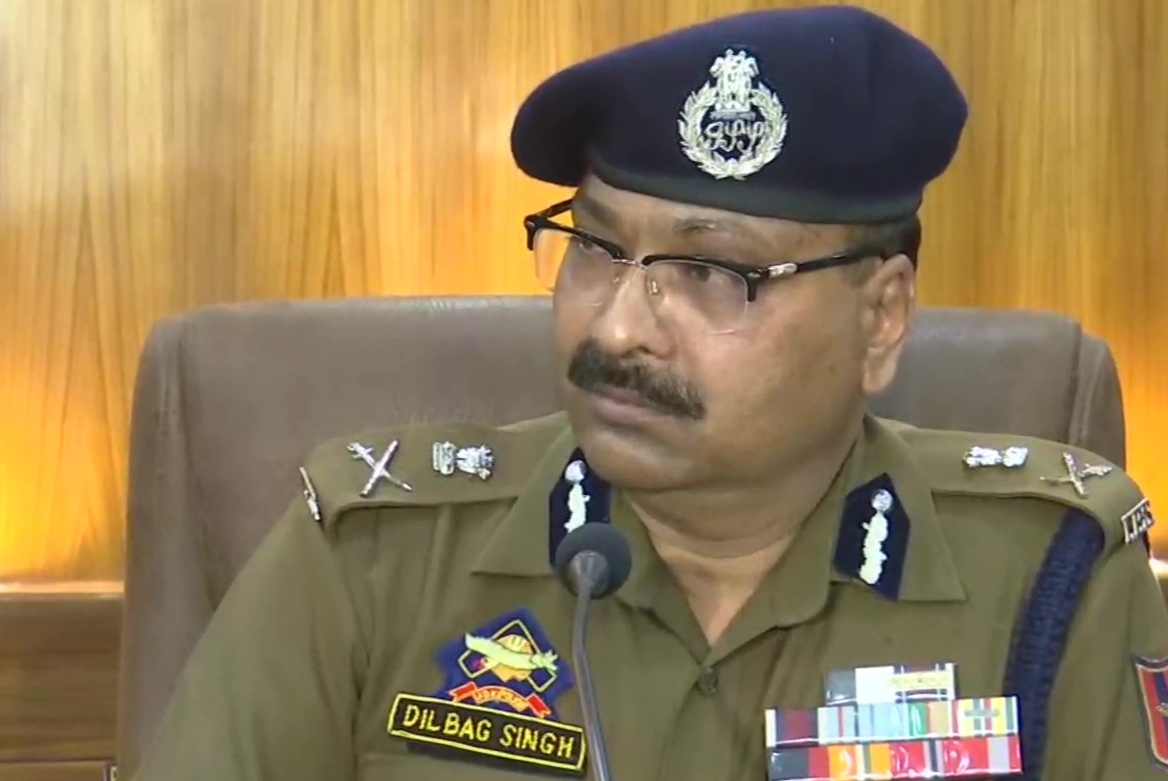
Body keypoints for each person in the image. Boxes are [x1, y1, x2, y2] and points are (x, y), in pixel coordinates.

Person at [131, 5, 1165, 781]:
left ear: (882, 317)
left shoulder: (1052, 578)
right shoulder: (375, 554)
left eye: (712, 272)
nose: (617, 326)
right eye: (594, 247)